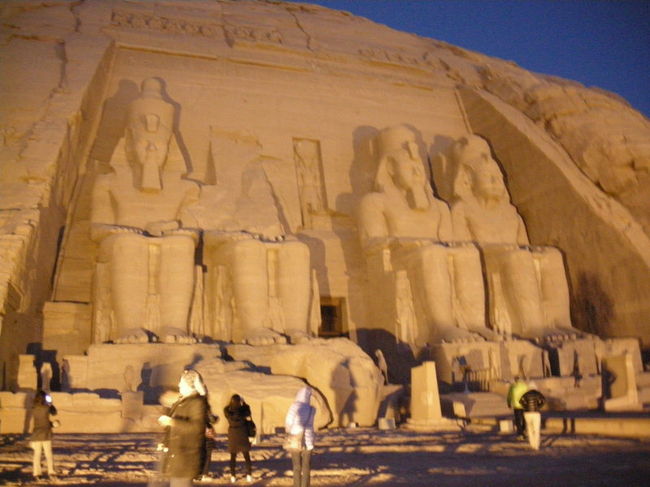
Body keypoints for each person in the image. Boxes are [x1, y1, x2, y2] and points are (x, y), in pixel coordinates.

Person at [158, 370, 207, 487]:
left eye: (182, 383)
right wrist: (166, 442)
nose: (179, 385)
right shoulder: (183, 401)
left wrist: (172, 422)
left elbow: (196, 428)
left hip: (186, 458)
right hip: (178, 457)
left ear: (190, 385)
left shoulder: (197, 402)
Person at [285, 386, 316, 487]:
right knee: (306, 467)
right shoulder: (312, 409)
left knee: (296, 466)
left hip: (295, 440)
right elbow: (311, 425)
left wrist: (290, 432)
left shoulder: (294, 406)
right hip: (308, 441)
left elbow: (288, 422)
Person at [224, 394, 253, 483]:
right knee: (246, 456)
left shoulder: (228, 413)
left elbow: (225, 409)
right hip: (243, 434)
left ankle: (233, 476)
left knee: (233, 457)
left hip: (233, 435)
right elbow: (248, 411)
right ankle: (249, 475)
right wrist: (244, 403)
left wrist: (230, 404)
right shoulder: (243, 411)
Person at [30, 390, 57, 480]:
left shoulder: (34, 408)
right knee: (48, 454)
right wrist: (50, 403)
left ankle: (36, 473)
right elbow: (54, 412)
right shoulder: (46, 408)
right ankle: (51, 472)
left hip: (36, 434)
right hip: (46, 433)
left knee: (37, 455)